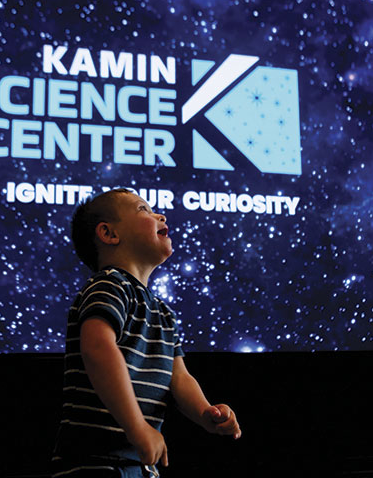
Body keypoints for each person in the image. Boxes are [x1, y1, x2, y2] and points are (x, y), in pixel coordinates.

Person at [52, 188, 241, 477]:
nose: (160, 214)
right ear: (109, 234)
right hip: (96, 462)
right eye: (143, 209)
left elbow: (179, 378)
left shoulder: (163, 312)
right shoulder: (109, 286)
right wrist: (137, 427)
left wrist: (206, 413)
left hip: (139, 465)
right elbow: (98, 348)